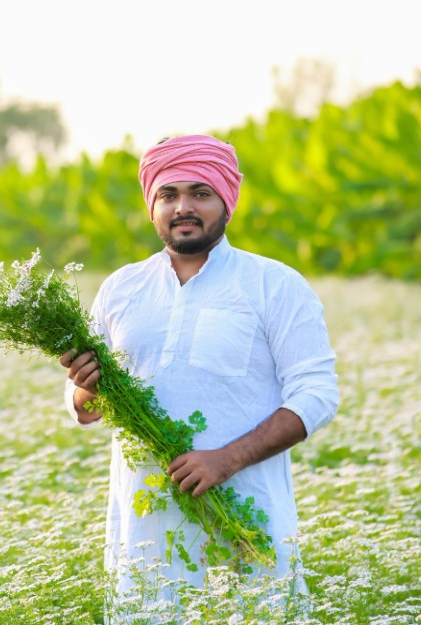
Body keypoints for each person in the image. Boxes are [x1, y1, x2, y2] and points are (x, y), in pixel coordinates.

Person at [59, 134, 339, 605]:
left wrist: (226, 459)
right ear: (152, 205)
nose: (183, 207)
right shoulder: (122, 288)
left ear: (227, 201)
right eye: (168, 194)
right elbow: (82, 406)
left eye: (200, 193)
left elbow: (316, 395)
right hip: (143, 533)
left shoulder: (274, 285)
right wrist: (85, 388)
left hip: (247, 523)